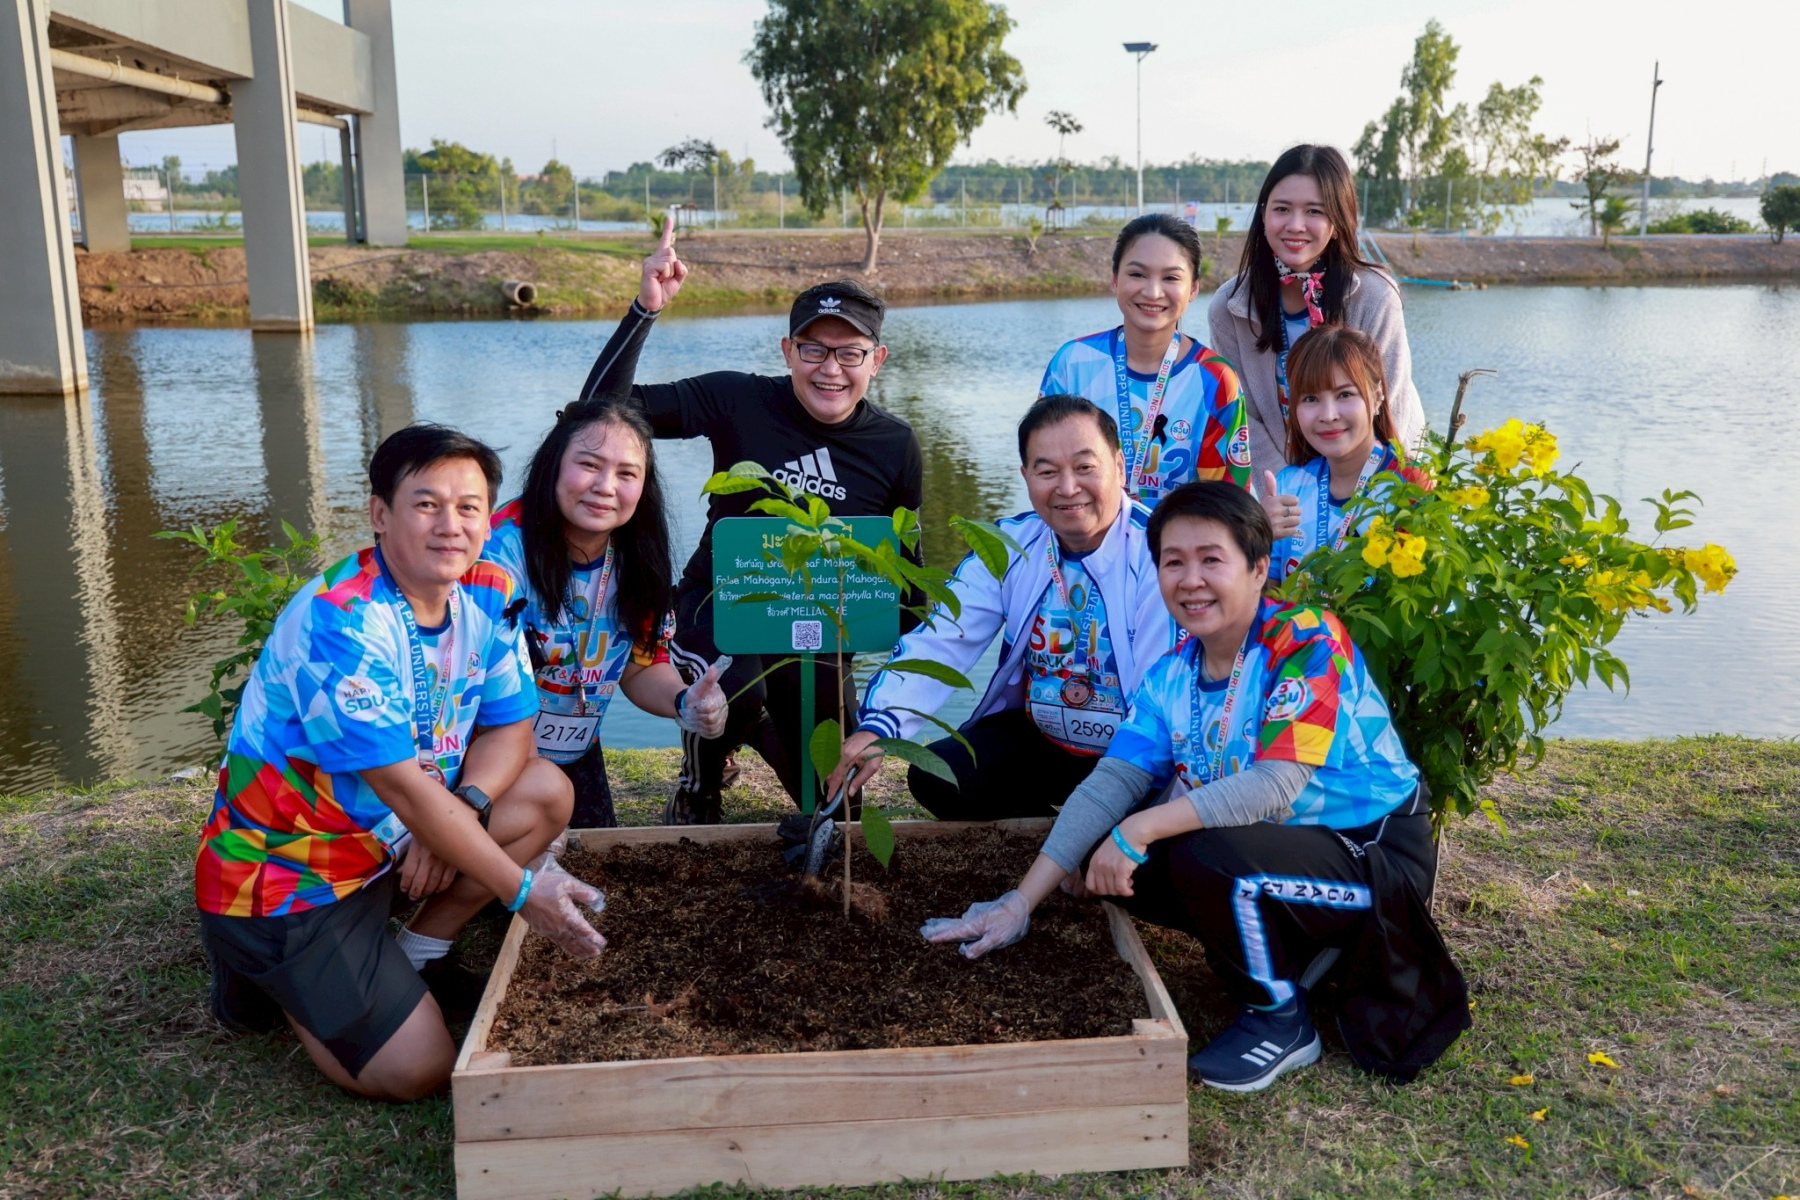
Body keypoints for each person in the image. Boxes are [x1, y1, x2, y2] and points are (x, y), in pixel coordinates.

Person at [921, 481, 1469, 1091]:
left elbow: (1275, 785)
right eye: (1173, 562)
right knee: (1108, 846)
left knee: (1198, 851)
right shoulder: (1172, 674)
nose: (1191, 580)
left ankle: (1280, 1017)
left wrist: (1139, 828)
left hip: (1373, 857)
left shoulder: (1304, 639)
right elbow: (1111, 782)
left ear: (1257, 568)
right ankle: (1300, 949)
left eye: (1212, 559)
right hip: (1282, 848)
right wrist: (1020, 902)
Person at [194, 425, 609, 1102]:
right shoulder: (342, 620)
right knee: (418, 1069)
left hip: (391, 844)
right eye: (426, 504)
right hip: (294, 876)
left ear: (489, 518)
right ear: (380, 514)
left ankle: (417, 955)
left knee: (542, 792)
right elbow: (403, 790)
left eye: (469, 507)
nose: (451, 525)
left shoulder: (489, 588)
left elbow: (512, 727)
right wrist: (523, 892)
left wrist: (466, 808)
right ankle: (259, 968)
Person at [579, 220, 924, 823]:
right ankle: (699, 788)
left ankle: (758, 725)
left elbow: (905, 565)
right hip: (718, 603)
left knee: (836, 810)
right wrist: (644, 310)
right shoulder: (738, 399)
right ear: (788, 351)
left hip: (816, 625)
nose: (831, 369)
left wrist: (888, 652)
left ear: (877, 360)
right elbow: (596, 413)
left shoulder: (896, 444)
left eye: (850, 353)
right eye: (814, 349)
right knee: (731, 689)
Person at [827, 395, 1176, 818]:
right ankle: (1057, 829)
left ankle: (1094, 828)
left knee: (1145, 823)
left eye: (1085, 467)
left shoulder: (1163, 553)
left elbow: (1160, 700)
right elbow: (944, 640)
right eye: (1047, 472)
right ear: (1026, 476)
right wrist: (879, 726)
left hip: (1135, 751)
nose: (1068, 488)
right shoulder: (1007, 546)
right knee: (939, 776)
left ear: (1119, 466)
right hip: (1045, 739)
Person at [485, 397, 729, 829]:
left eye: (626, 473)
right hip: (490, 755)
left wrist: (684, 701)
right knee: (506, 870)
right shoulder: (499, 552)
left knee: (597, 867)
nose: (605, 486)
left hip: (577, 749)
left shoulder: (639, 556)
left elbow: (642, 665)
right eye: (589, 465)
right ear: (553, 464)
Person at [1207, 145, 1424, 475]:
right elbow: (1243, 416)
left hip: (1380, 484)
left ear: (1338, 220)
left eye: (1314, 211)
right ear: (1263, 215)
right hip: (1284, 487)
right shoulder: (1229, 306)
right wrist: (1292, 490)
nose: (1296, 225)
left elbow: (1392, 406)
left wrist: (1360, 494)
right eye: (1282, 209)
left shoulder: (1375, 295)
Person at [1039, 213, 1251, 505]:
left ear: (1193, 288)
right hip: (1081, 531)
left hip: (1179, 535)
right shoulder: (1072, 363)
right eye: (1137, 274)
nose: (1152, 292)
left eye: (1171, 278)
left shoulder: (1215, 379)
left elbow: (1229, 503)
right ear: (1115, 279)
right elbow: (1045, 472)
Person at [1258, 325, 1426, 583]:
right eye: (1310, 399)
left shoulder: (1409, 485)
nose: (1328, 415)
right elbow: (1265, 596)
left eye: (1345, 394)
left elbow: (1427, 595)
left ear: (1377, 397)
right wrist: (1256, 537)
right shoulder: (1288, 485)